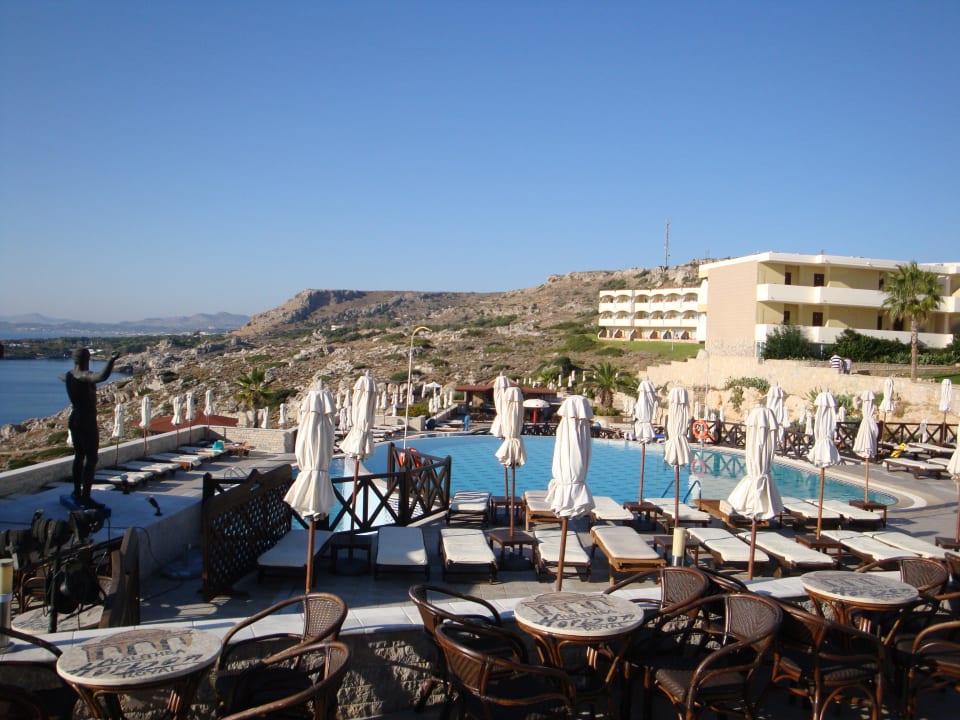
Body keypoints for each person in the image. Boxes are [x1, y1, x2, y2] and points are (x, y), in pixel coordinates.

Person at [63, 348, 120, 507]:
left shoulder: (69, 375)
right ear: (86, 359)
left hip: (74, 418)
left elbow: (63, 377)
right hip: (86, 420)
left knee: (79, 455)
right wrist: (110, 360)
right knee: (92, 458)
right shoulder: (84, 376)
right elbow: (101, 376)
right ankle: (86, 496)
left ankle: (76, 491)